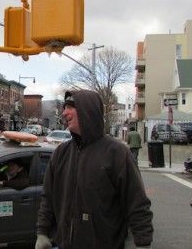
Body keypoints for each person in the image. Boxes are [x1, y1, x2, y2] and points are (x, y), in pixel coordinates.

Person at [35, 90, 153, 249]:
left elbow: (137, 202)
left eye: (70, 107)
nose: (64, 113)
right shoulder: (60, 153)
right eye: (64, 107)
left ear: (87, 110)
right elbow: (47, 198)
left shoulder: (117, 153)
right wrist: (42, 232)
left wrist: (143, 242)